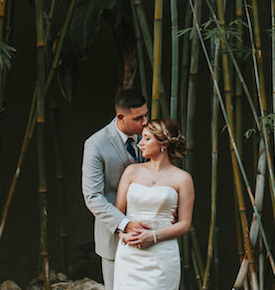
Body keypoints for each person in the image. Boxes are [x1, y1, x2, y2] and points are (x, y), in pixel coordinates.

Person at [112, 118, 193, 290]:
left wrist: (154, 236)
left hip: (162, 253)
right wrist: (123, 236)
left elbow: (185, 224)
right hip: (130, 254)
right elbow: (117, 215)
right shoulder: (131, 171)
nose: (141, 143)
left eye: (147, 138)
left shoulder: (182, 178)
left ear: (163, 143)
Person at [82, 90, 151, 290]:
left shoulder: (150, 135)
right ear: (120, 117)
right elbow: (93, 196)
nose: (145, 122)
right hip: (114, 237)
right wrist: (125, 224)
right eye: (139, 118)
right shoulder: (96, 144)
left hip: (149, 231)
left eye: (146, 115)